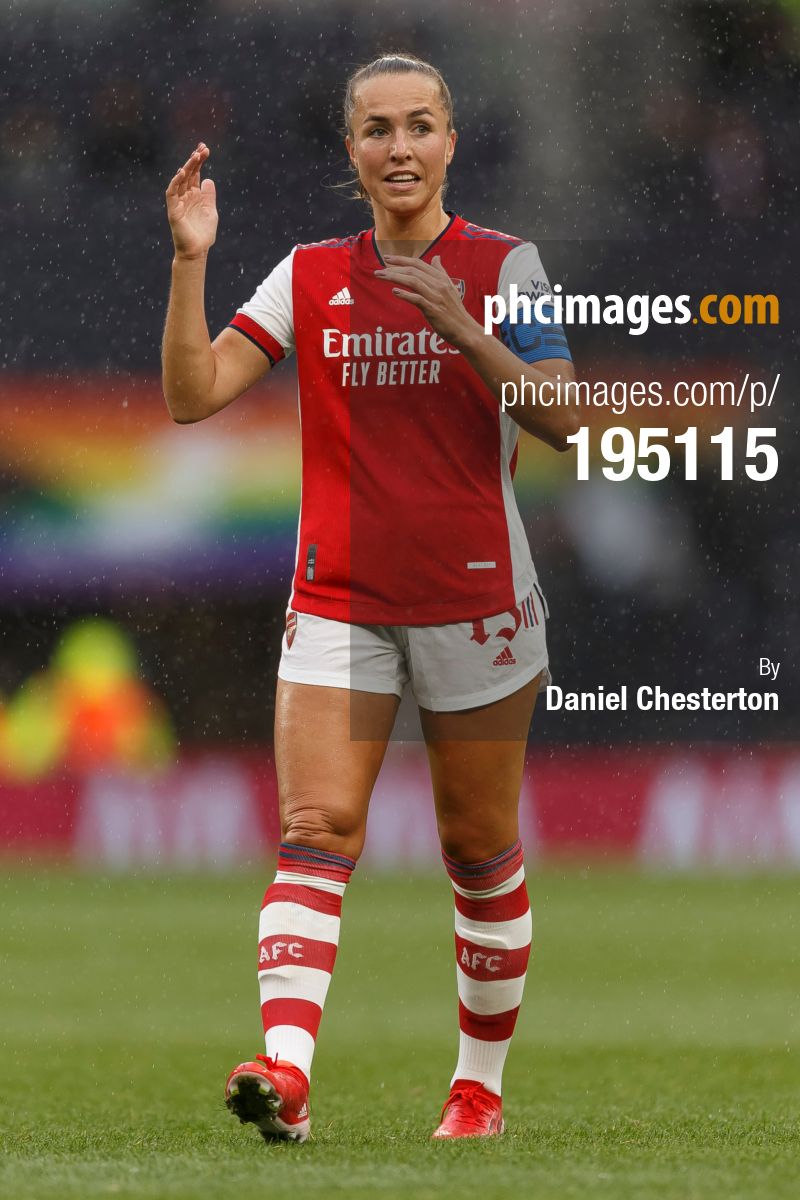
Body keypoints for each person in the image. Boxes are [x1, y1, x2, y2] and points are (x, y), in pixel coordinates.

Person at [162, 52, 577, 1143]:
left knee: (478, 849)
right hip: (339, 601)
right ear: (350, 151)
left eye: (420, 126)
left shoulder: (507, 266)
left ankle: (476, 1091)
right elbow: (193, 395)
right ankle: (287, 1076)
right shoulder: (307, 274)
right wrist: (189, 261)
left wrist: (463, 327)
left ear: (451, 142)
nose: (400, 148)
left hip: (477, 604)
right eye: (378, 129)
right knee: (315, 830)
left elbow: (564, 418)